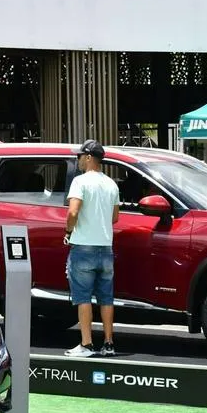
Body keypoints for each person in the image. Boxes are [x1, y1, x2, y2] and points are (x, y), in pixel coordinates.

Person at [64, 139, 120, 358]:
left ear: (88, 157)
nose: (77, 160)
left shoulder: (80, 182)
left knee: (83, 297)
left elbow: (73, 212)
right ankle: (109, 343)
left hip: (83, 247)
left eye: (79, 156)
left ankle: (86, 345)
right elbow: (115, 217)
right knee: (107, 298)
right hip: (105, 248)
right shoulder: (111, 184)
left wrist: (69, 232)